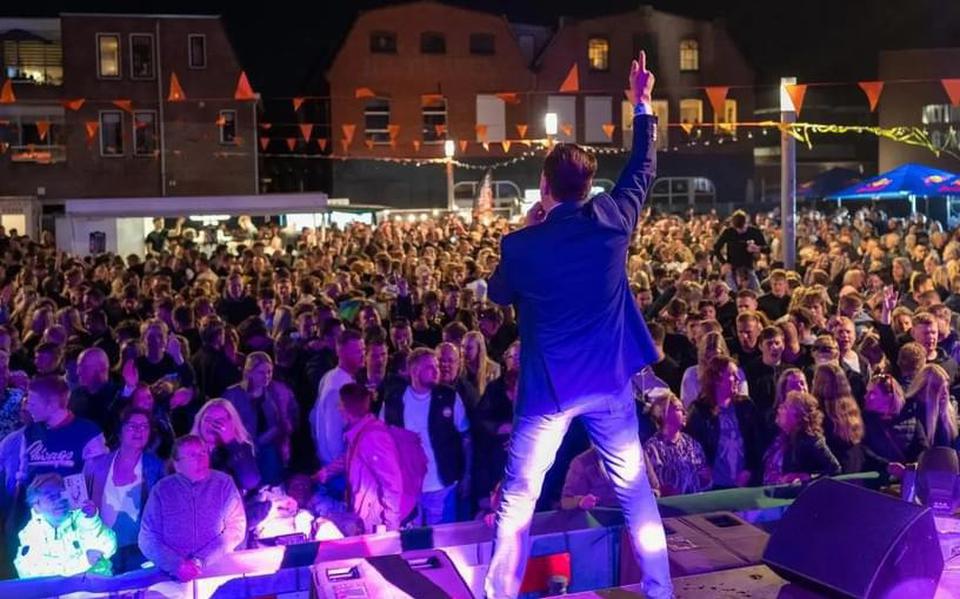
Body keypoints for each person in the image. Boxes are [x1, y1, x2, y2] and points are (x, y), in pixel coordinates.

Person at [483, 52, 671, 599]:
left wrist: (527, 227)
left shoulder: (523, 246)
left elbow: (497, 295)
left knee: (520, 496)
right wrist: (641, 103)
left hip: (547, 395)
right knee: (635, 490)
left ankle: (499, 594)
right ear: (588, 186)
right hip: (609, 387)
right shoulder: (613, 220)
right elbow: (643, 168)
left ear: (545, 184)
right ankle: (660, 590)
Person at [381, 348, 472, 526]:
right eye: (430, 367)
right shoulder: (394, 401)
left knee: (443, 542)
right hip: (408, 488)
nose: (437, 370)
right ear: (414, 371)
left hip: (442, 486)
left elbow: (466, 438)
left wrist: (467, 475)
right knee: (413, 544)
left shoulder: (449, 397)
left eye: (436, 365)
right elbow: (384, 442)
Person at [139, 435, 246, 582]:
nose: (200, 459)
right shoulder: (162, 490)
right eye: (192, 455)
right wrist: (176, 565)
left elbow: (236, 528)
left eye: (203, 453)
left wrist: (201, 560)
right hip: (173, 575)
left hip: (216, 570)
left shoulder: (223, 483)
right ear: (177, 465)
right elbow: (147, 537)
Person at [83, 407, 164, 572]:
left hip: (139, 551)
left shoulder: (156, 466)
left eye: (144, 426)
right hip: (99, 549)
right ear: (120, 430)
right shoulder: (96, 465)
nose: (139, 431)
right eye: (132, 426)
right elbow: (80, 504)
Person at [14, 473, 117, 578]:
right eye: (51, 496)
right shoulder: (31, 533)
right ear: (36, 506)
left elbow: (108, 548)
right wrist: (83, 562)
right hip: (56, 592)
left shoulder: (84, 519)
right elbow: (30, 572)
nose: (59, 500)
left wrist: (91, 521)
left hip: (95, 590)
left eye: (61, 493)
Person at [685, 355, 762, 488]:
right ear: (718, 379)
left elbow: (757, 442)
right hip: (714, 486)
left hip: (744, 484)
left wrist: (750, 469)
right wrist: (702, 469)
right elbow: (691, 446)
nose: (738, 379)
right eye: (732, 375)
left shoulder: (746, 406)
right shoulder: (699, 410)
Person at [339, 383, 406, 533]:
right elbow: (352, 456)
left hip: (377, 521)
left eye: (340, 403)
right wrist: (326, 472)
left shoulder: (372, 437)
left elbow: (391, 482)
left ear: (346, 408)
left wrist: (392, 526)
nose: (338, 408)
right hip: (366, 516)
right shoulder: (358, 432)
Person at [762, 391, 840, 484]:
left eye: (785, 407)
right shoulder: (780, 438)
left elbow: (835, 469)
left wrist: (807, 478)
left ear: (798, 416)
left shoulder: (812, 441)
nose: (779, 409)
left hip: (794, 496)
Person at [643, 393, 711, 495]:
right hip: (667, 507)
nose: (684, 413)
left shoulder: (692, 444)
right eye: (678, 408)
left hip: (694, 506)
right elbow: (647, 485)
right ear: (663, 413)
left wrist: (706, 477)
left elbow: (704, 478)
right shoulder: (651, 449)